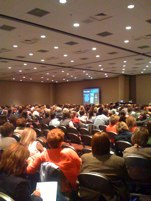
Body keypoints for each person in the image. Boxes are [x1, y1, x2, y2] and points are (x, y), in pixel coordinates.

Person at [27, 128, 81, 193]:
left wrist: (30, 161)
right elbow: (80, 167)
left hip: (50, 188)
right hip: (70, 188)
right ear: (61, 143)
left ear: (48, 143)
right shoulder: (70, 152)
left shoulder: (43, 155)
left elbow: (29, 171)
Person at [80, 132, 129, 201]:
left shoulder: (84, 157)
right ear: (108, 144)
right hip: (112, 197)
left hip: (89, 195)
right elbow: (126, 179)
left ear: (93, 144)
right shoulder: (119, 161)